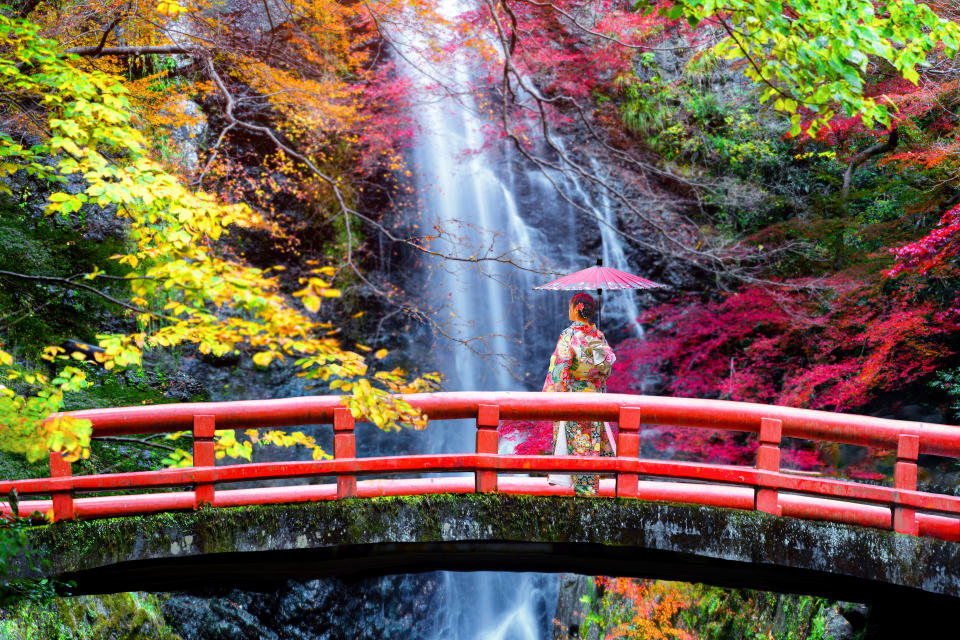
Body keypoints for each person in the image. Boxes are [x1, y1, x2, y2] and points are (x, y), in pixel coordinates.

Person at [542, 293, 617, 496]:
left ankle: (580, 497)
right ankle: (590, 493)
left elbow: (560, 368)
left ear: (577, 309)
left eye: (570, 306)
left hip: (573, 399)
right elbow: (604, 370)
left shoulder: (568, 335)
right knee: (589, 446)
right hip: (593, 400)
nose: (569, 310)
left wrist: (557, 396)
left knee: (575, 444)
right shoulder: (597, 336)